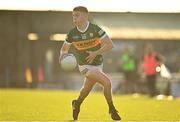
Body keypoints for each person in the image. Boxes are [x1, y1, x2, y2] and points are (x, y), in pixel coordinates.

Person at [59, 6, 121, 120]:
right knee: (107, 83)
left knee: (86, 89)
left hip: (98, 65)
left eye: (77, 15)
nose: (74, 18)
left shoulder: (95, 29)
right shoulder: (72, 33)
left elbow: (110, 45)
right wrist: (62, 55)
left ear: (85, 16)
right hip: (84, 67)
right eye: (73, 15)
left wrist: (95, 53)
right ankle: (112, 110)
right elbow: (64, 49)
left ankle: (77, 103)